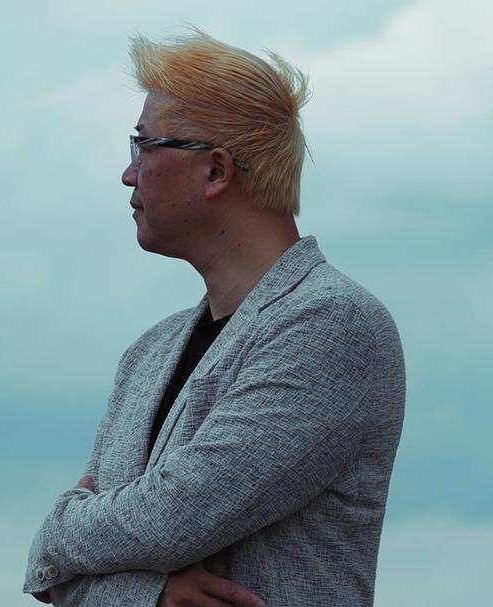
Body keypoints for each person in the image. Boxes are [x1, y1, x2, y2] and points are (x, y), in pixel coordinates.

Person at [22, 29, 405, 607]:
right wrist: (147, 595)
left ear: (216, 171)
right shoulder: (149, 353)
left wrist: (60, 528)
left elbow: (170, 519)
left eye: (144, 146)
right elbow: (57, 583)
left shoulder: (334, 325)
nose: (128, 173)